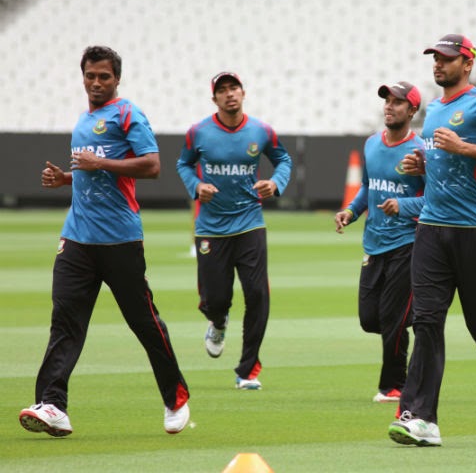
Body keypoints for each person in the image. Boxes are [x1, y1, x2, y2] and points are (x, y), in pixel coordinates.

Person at [19, 45, 191, 437]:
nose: (96, 83)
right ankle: (52, 405)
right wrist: (67, 178)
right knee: (65, 322)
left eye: (104, 77)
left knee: (143, 322)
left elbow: (152, 165)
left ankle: (175, 397)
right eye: (90, 76)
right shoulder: (84, 119)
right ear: (82, 77)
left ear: (117, 79)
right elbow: (91, 172)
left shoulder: (128, 113)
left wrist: (102, 164)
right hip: (77, 239)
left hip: (120, 240)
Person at [387, 34, 476, 447]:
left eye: (446, 59)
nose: (437, 64)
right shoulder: (432, 111)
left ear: (467, 64)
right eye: (434, 58)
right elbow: (439, 163)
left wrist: (465, 146)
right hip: (431, 229)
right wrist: (422, 165)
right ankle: (420, 418)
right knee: (426, 321)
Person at [176, 72, 292, 390]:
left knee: (257, 294)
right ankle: (217, 321)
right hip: (211, 228)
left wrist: (275, 183)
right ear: (214, 99)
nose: (229, 94)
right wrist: (196, 185)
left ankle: (247, 370)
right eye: (222, 90)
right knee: (215, 299)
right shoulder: (198, 132)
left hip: (250, 222)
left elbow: (283, 159)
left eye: (234, 88)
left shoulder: (261, 131)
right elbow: (183, 164)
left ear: (243, 93)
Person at [334, 81, 426, 403]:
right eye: (387, 101)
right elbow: (369, 188)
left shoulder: (422, 151)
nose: (389, 106)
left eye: (398, 102)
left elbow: (436, 198)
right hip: (374, 244)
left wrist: (405, 206)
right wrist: (350, 211)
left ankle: (393, 386)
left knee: (392, 319)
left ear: (412, 110)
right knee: (370, 318)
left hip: (407, 244)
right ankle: (417, 320)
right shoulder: (372, 144)